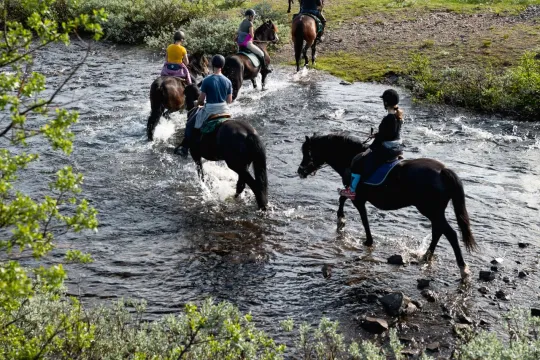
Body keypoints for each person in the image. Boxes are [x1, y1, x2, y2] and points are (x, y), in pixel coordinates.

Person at [338, 89, 404, 200]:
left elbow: (381, 140)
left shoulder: (388, 118)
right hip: (398, 147)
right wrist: (377, 134)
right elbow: (391, 133)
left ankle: (352, 191)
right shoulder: (399, 116)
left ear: (386, 103)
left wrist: (369, 149)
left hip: (387, 149)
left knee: (357, 161)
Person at [178, 55, 233, 157]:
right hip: (225, 110)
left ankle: (184, 148)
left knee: (190, 124)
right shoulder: (228, 81)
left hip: (210, 110)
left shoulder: (207, 80)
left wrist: (197, 104)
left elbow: (201, 100)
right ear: (223, 65)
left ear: (212, 65)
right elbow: (229, 100)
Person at [236, 9, 271, 73]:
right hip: (247, 44)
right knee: (261, 53)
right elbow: (251, 35)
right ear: (250, 16)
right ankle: (264, 69)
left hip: (240, 45)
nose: (253, 17)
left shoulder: (242, 22)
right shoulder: (250, 23)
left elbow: (238, 32)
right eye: (253, 16)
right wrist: (252, 39)